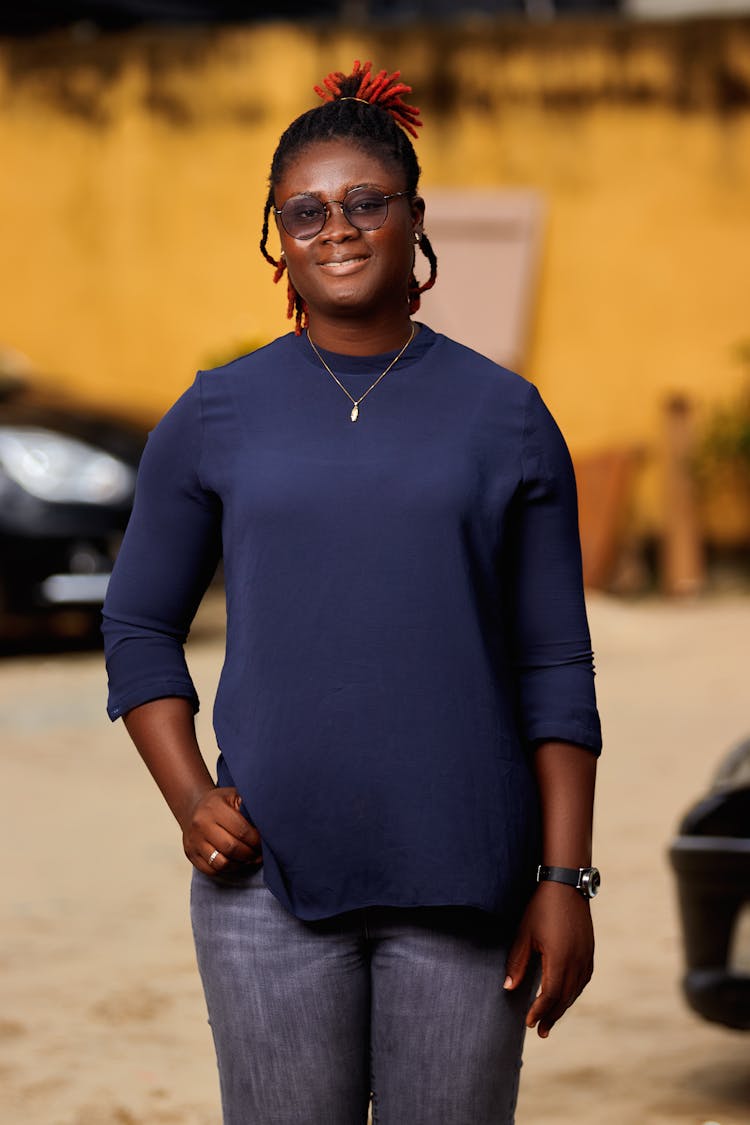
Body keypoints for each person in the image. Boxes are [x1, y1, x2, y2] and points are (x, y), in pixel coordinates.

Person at [102, 60, 602, 1125]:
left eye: (366, 201)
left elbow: (555, 664)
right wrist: (191, 796)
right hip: (267, 889)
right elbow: (139, 623)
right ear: (277, 235)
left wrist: (567, 879)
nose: (337, 227)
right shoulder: (216, 414)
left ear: (415, 218)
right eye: (307, 210)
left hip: (470, 880)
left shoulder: (506, 415)